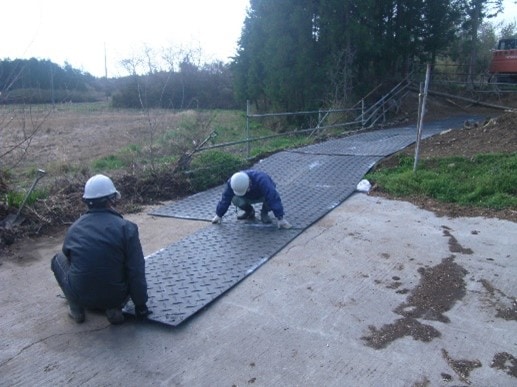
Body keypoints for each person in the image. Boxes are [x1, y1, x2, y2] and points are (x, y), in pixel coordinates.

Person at [51, 174, 150, 325]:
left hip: (81, 295)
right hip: (117, 297)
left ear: (86, 201)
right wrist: (140, 305)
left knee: (58, 259)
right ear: (112, 199)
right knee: (123, 263)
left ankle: (76, 309)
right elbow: (136, 269)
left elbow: (69, 257)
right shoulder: (126, 228)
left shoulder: (74, 227)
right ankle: (112, 309)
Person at [211, 170, 292, 229]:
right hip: (247, 197)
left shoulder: (262, 179)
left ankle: (264, 212)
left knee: (270, 198)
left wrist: (280, 218)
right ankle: (249, 212)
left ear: (249, 183)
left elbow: (273, 197)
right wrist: (219, 215)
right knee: (234, 199)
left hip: (262, 196)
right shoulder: (232, 182)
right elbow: (225, 198)